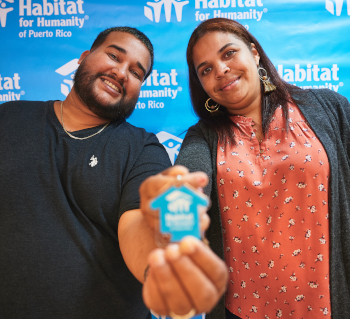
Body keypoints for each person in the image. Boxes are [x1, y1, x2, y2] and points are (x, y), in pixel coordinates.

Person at [0, 26, 228, 319]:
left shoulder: (143, 149)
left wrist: (159, 269)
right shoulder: (10, 117)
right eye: (114, 56)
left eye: (136, 72)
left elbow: (137, 225)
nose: (122, 73)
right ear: (84, 57)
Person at [174, 18, 350, 319]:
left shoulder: (329, 107)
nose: (221, 70)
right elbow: (188, 183)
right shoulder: (202, 137)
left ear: (254, 53)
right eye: (206, 69)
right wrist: (177, 211)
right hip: (241, 312)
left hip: (330, 306)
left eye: (228, 53)